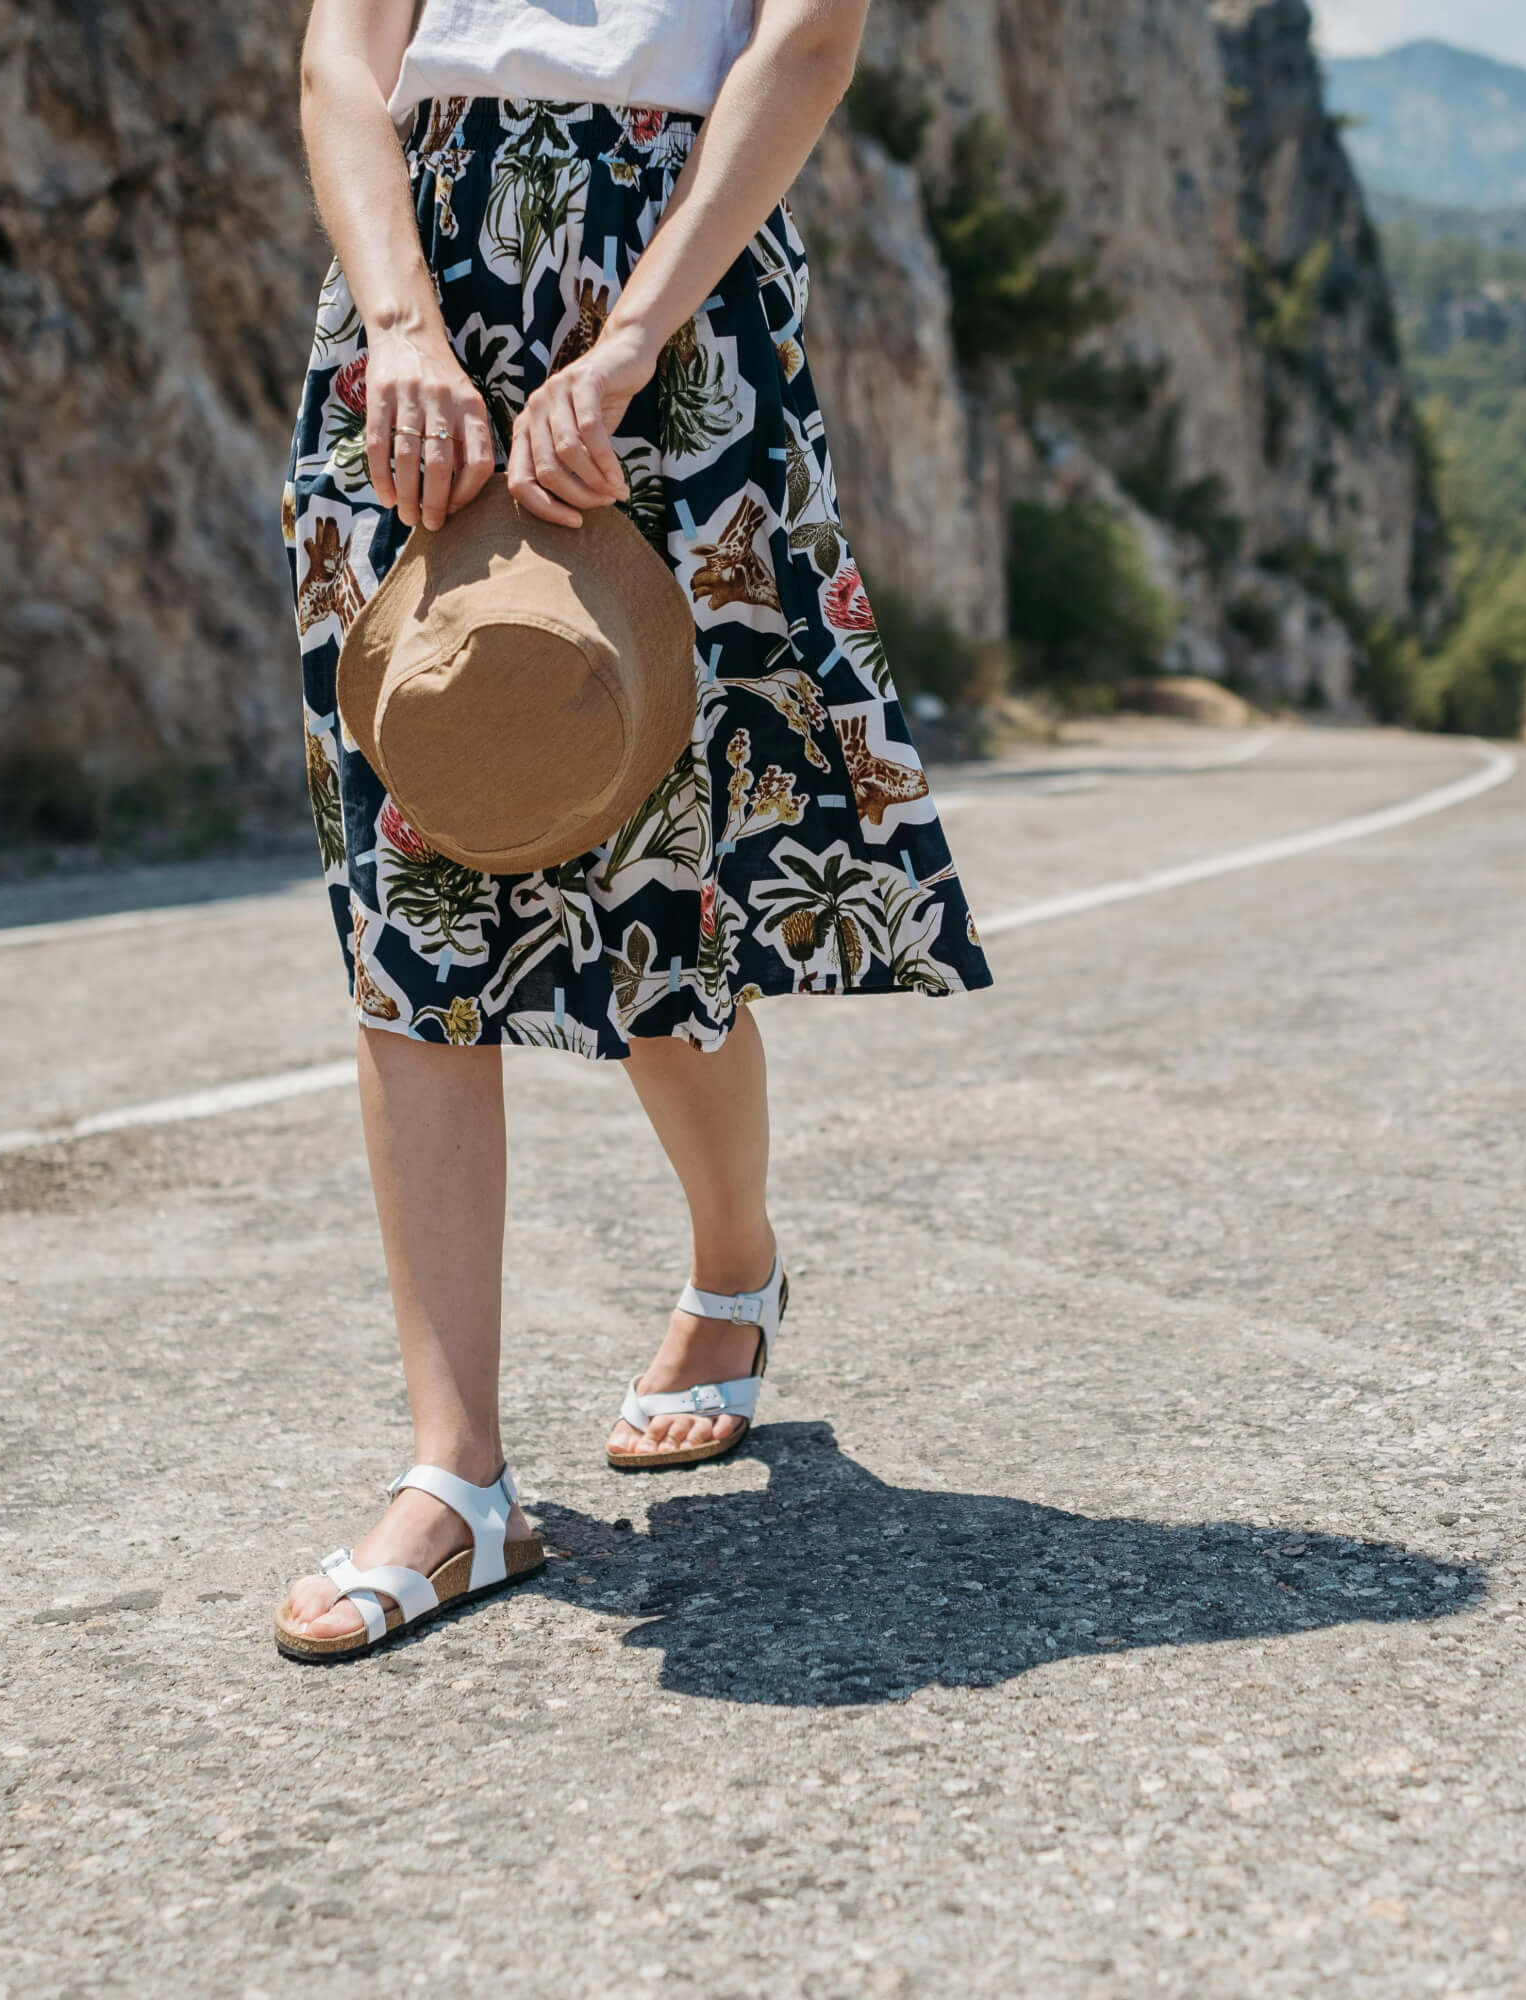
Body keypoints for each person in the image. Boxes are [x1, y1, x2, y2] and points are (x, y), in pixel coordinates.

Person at [274, 0, 993, 1655]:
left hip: (673, 284)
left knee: (663, 888)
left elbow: (803, 44)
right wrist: (399, 324)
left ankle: (733, 1267)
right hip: (414, 290)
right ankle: (458, 1483)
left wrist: (628, 340)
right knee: (419, 870)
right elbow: (340, 61)